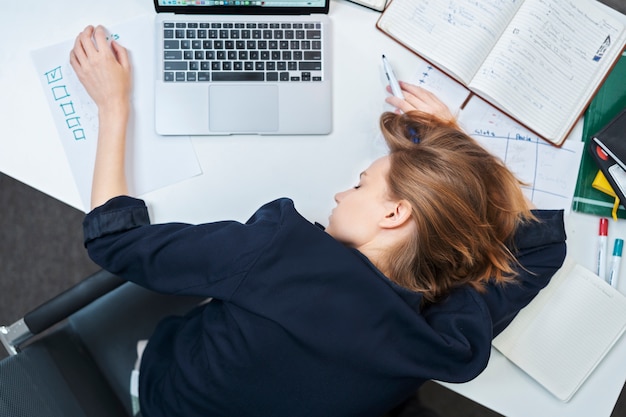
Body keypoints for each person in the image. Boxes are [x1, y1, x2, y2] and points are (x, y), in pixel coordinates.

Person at [72, 25, 567, 417]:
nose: (339, 192)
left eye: (359, 184)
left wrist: (112, 105)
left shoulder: (278, 257)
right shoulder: (445, 343)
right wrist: (453, 149)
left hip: (169, 399)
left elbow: (116, 240)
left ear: (395, 214)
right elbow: (543, 246)